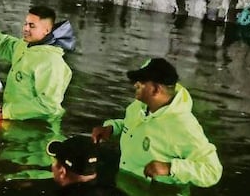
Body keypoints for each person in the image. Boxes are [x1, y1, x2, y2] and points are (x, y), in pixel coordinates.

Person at [91, 57, 222, 188]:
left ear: (155, 90)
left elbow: (212, 171)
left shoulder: (184, 125)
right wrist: (113, 129)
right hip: (125, 183)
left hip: (158, 195)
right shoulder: (139, 106)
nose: (135, 85)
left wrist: (170, 168)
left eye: (141, 82)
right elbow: (133, 126)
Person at [0, 6, 75, 121]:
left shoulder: (52, 63)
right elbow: (3, 43)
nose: (25, 28)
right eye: (26, 24)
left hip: (37, 125)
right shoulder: (25, 46)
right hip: (14, 115)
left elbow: (48, 106)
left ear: (47, 30)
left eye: (32, 26)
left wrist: (7, 112)